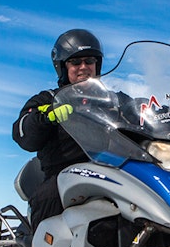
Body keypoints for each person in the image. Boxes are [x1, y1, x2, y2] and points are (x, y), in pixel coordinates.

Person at [13, 28, 103, 232]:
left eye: (89, 61)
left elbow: (140, 114)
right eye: (75, 62)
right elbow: (22, 132)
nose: (83, 67)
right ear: (63, 66)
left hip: (111, 170)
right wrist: (45, 117)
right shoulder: (47, 99)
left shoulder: (114, 101)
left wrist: (168, 117)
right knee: (47, 197)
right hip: (63, 174)